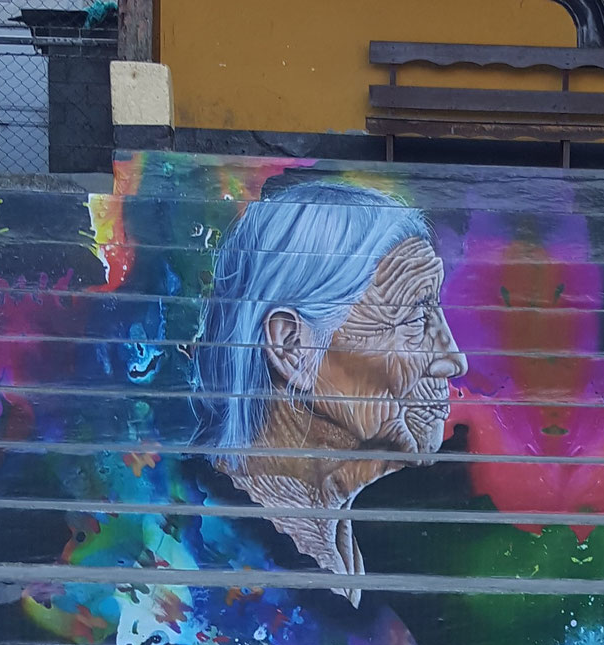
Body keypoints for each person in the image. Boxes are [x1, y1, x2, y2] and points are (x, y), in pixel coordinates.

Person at [194, 178, 467, 596]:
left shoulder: (331, 550)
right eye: (414, 319)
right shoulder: (211, 562)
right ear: (292, 348)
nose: (454, 359)